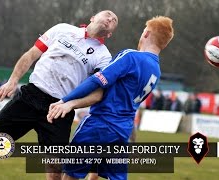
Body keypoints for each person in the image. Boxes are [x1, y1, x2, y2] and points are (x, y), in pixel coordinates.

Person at [0, 10, 118, 180]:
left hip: (58, 110)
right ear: (93, 17)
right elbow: (31, 54)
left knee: (55, 171)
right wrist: (13, 80)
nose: (110, 18)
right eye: (108, 14)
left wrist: (70, 104)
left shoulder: (104, 56)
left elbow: (97, 94)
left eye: (114, 20)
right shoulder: (63, 29)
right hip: (31, 96)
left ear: (110, 34)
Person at [47, 16, 174, 180]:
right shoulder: (156, 70)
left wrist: (66, 101)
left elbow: (97, 80)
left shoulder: (131, 57)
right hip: (123, 130)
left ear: (147, 34)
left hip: (100, 125)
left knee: (71, 175)